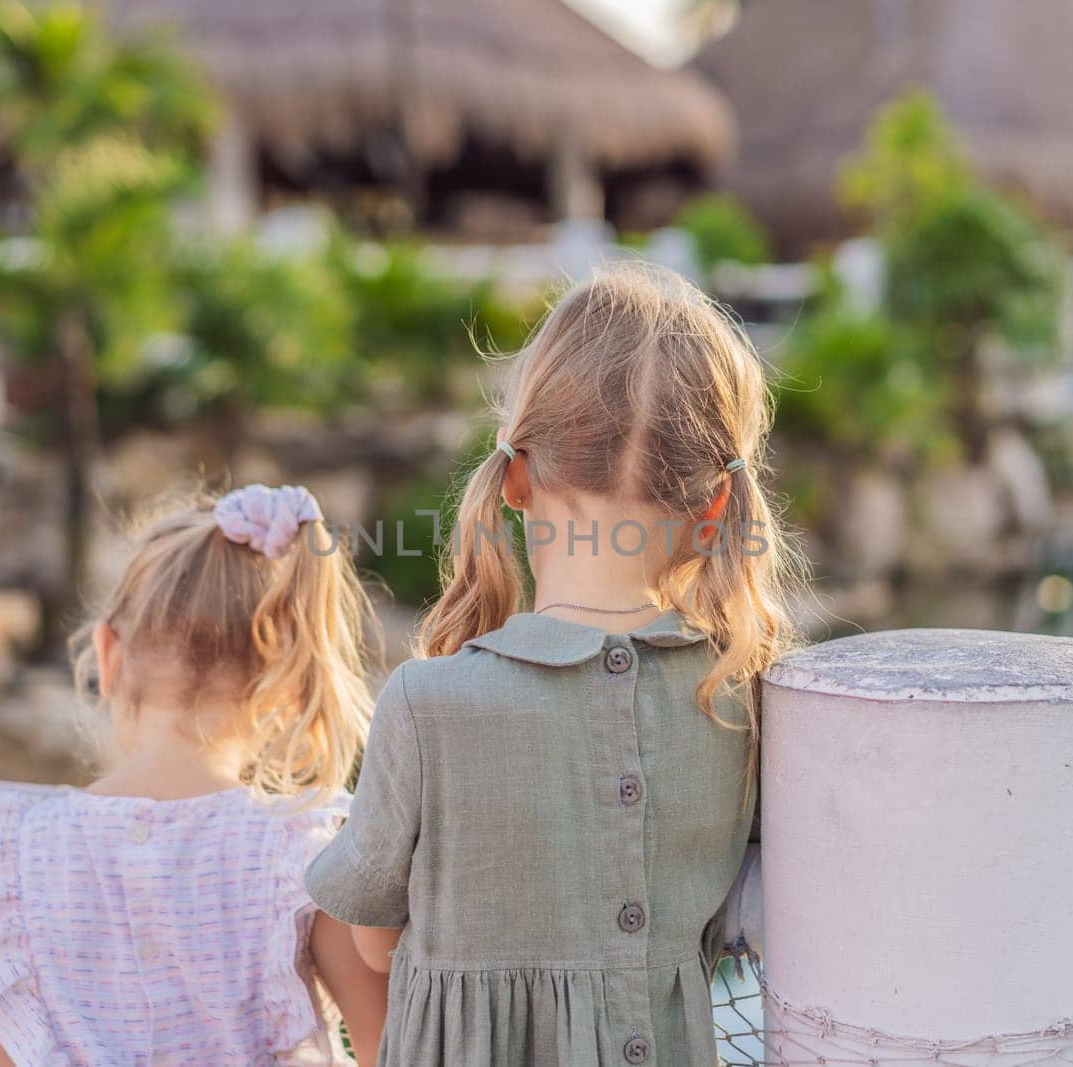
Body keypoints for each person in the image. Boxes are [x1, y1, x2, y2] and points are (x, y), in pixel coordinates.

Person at [306, 263, 798, 1066]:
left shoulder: (426, 703)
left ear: (519, 477)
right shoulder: (737, 700)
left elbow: (369, 941)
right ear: (716, 507)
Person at [0, 485, 389, 1066]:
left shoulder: (15, 861)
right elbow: (396, 1046)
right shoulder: (298, 852)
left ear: (107, 656)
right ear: (287, 683)